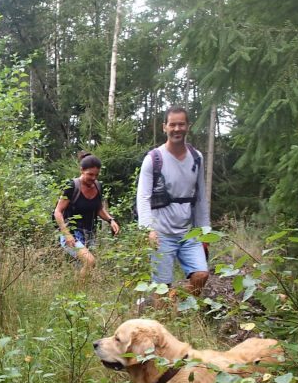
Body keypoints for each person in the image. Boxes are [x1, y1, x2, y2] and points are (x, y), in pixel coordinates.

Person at [137, 106, 210, 296]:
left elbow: (201, 197)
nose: (177, 129)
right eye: (173, 124)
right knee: (161, 288)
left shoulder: (197, 157)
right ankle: (166, 318)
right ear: (164, 127)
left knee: (201, 275)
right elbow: (143, 197)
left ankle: (178, 301)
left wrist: (204, 233)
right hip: (161, 233)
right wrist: (148, 230)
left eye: (181, 124)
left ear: (188, 126)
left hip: (189, 232)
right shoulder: (153, 159)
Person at [54, 152, 120, 276]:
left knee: (83, 267)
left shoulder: (98, 187)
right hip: (71, 233)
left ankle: (79, 292)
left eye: (96, 175)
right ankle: (78, 290)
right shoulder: (72, 186)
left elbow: (99, 208)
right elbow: (58, 211)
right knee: (90, 261)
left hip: (90, 234)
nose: (94, 178)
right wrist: (67, 234)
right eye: (90, 174)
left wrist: (111, 220)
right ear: (82, 170)